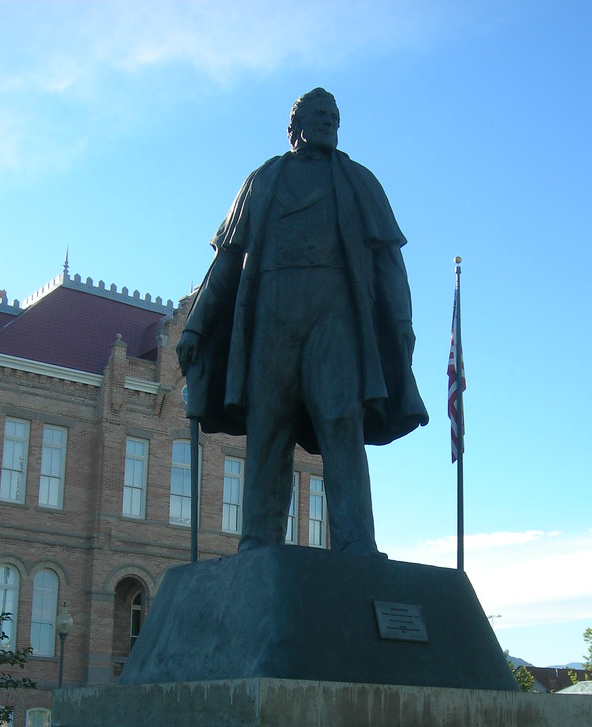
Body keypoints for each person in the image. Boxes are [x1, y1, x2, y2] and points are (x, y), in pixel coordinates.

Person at [177, 88, 428, 555]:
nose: (329, 120)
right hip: (272, 313)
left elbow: (389, 262)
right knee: (269, 425)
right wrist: (196, 324)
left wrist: (401, 320)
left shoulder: (357, 181)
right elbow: (227, 263)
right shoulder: (263, 180)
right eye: (318, 114)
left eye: (334, 115)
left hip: (334, 316)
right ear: (294, 128)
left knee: (341, 420)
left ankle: (356, 542)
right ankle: (258, 540)